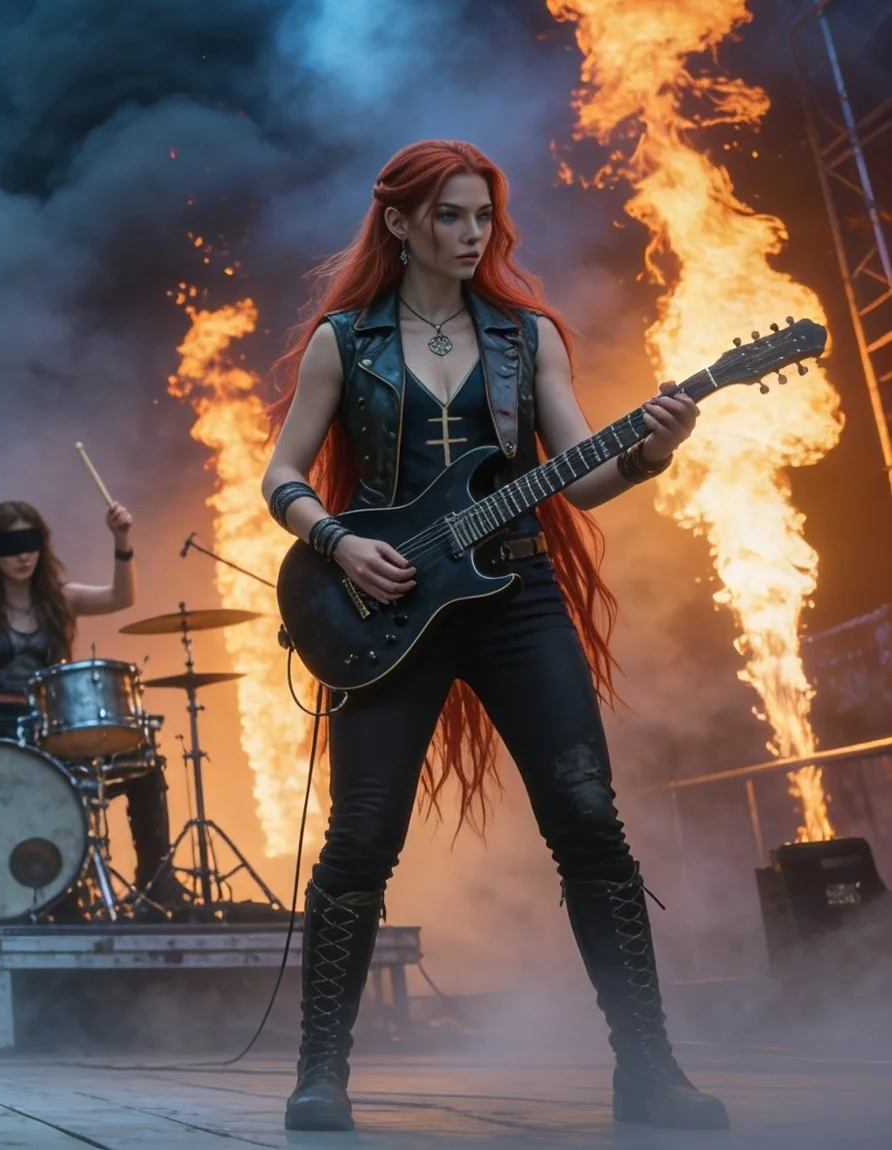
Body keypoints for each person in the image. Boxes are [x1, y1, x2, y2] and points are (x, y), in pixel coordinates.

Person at [260, 139, 724, 1132]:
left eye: (482, 216)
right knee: (360, 837)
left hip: (515, 590)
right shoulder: (345, 340)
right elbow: (281, 475)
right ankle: (321, 1073)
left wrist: (651, 451)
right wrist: (339, 544)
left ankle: (648, 1069)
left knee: (589, 818)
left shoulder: (526, 336)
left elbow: (579, 471)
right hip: (386, 602)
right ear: (398, 222)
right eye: (450, 216)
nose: (472, 234)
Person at [0, 498, 186, 909]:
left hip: (49, 725)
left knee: (143, 765)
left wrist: (121, 540)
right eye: (11, 546)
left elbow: (122, 596)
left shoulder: (62, 599)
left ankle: (155, 881)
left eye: (31, 544)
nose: (23, 555)